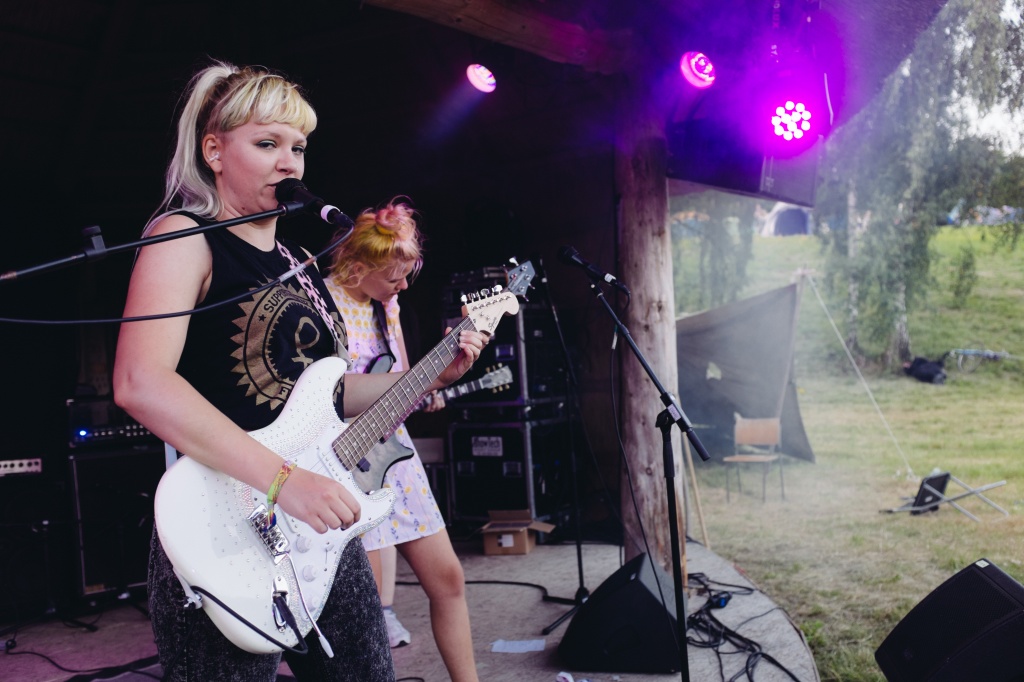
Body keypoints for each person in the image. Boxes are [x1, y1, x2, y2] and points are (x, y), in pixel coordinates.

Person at [112, 61, 487, 682]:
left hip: (315, 521)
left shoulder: (300, 264)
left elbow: (330, 395)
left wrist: (429, 376)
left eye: (299, 147)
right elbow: (140, 382)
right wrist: (283, 480)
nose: (289, 163)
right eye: (267, 144)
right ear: (214, 151)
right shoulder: (183, 236)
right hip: (225, 523)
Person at [325, 200, 479, 682]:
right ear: (357, 267)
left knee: (449, 579)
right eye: (395, 278)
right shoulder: (320, 302)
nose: (404, 287)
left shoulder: (387, 306)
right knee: (366, 609)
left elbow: (403, 382)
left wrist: (435, 381)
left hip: (395, 455)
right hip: (343, 465)